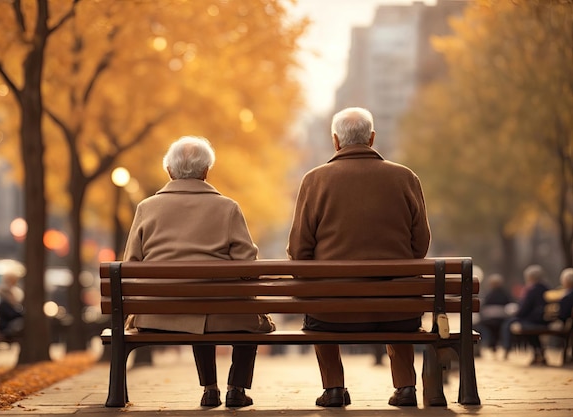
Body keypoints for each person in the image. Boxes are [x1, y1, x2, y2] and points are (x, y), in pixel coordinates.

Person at [287, 107, 431, 407]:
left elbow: (300, 249)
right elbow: (420, 245)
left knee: (319, 306)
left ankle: (334, 389)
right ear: (372, 138)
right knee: (398, 297)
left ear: (336, 141)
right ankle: (406, 387)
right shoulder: (405, 177)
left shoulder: (314, 180)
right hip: (398, 308)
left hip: (333, 312)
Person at [123, 136, 275, 408]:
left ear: (169, 170)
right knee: (235, 313)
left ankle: (210, 389)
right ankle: (236, 388)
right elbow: (248, 265)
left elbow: (131, 263)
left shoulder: (146, 208)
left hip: (159, 314)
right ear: (206, 171)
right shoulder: (227, 208)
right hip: (220, 314)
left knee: (198, 313)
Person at [501, 264, 550, 365]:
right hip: (544, 319)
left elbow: (524, 309)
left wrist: (515, 313)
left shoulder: (532, 290)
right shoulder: (546, 288)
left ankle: (506, 349)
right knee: (522, 326)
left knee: (509, 323)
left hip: (534, 320)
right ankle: (538, 352)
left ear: (530, 277)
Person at [477, 273, 514, 352]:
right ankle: (496, 345)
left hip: (490, 320)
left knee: (481, 326)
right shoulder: (505, 294)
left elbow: (482, 307)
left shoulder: (488, 294)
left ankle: (488, 345)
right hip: (502, 319)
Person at [0, 271, 24, 341]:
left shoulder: (12, 294)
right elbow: (11, 314)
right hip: (6, 326)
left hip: (7, 324)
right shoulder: (5, 300)